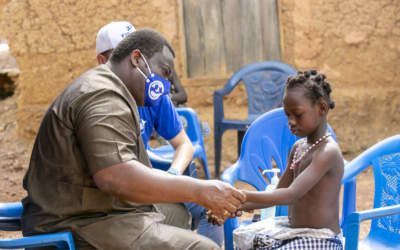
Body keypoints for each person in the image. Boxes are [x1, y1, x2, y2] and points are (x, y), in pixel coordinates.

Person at [21, 28, 246, 250]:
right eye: (164, 72)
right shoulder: (102, 95)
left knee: (175, 216)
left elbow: (137, 166)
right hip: (77, 223)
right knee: (201, 248)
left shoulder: (115, 92)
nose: (166, 86)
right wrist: (198, 190)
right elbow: (115, 177)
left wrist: (204, 192)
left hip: (102, 213)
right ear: (136, 58)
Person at [96, 21, 224, 246]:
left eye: (136, 57)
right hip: (119, 198)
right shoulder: (100, 101)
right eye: (120, 56)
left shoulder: (152, 93)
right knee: (176, 214)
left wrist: (172, 176)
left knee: (211, 203)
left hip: (149, 181)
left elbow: (184, 144)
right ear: (103, 62)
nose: (133, 65)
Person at [209, 70, 344, 249]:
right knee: (248, 240)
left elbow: (290, 194)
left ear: (322, 108)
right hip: (293, 232)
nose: (291, 121)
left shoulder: (328, 151)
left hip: (322, 239)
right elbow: (276, 194)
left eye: (297, 114)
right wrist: (231, 206)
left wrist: (236, 194)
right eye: (288, 115)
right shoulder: (298, 148)